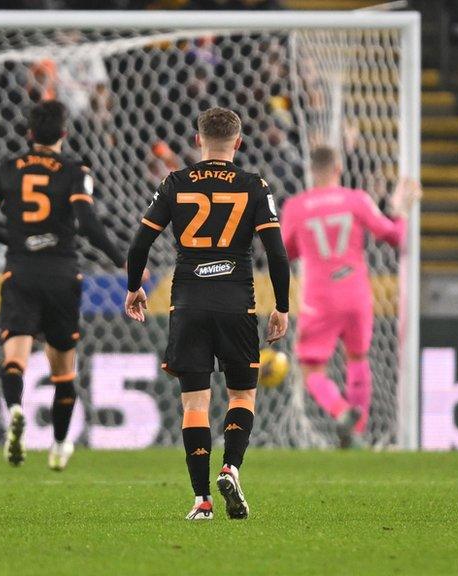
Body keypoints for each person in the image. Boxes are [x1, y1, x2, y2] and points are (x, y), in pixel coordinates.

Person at [124, 107, 290, 521]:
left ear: (199, 140)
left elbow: (139, 245)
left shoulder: (175, 183)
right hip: (237, 303)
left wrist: (133, 288)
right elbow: (277, 254)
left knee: (194, 404)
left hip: (189, 303)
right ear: (238, 142)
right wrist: (282, 307)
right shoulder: (254, 186)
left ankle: (201, 502)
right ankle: (231, 467)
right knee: (242, 395)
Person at [0, 99, 126, 470]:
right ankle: (58, 448)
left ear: (28, 134)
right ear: (64, 134)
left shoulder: (7, 169)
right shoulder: (74, 170)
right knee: (63, 370)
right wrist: (122, 259)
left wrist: (14, 240)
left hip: (20, 271)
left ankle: (16, 409)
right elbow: (88, 224)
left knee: (15, 357)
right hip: (61, 273)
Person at [280, 146, 419, 448]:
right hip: (356, 292)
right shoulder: (357, 200)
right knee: (357, 358)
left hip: (319, 296)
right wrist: (400, 211)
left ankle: (341, 412)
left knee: (311, 369)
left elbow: (283, 253)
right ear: (339, 168)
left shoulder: (297, 206)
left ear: (311, 171)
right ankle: (358, 431)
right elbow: (394, 236)